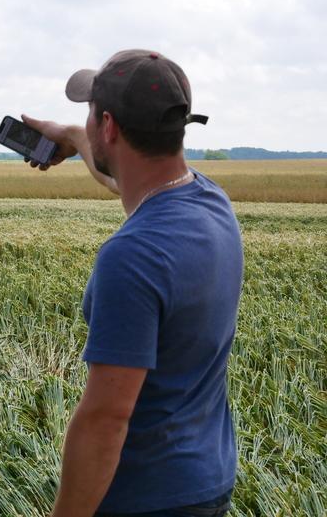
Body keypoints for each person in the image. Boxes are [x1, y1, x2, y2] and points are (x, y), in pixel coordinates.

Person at [23, 50, 242, 517]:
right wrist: (69, 137)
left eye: (90, 115)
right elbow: (126, 180)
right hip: (206, 482)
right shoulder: (209, 201)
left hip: (146, 499)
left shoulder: (132, 257)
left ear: (110, 127)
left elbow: (106, 419)